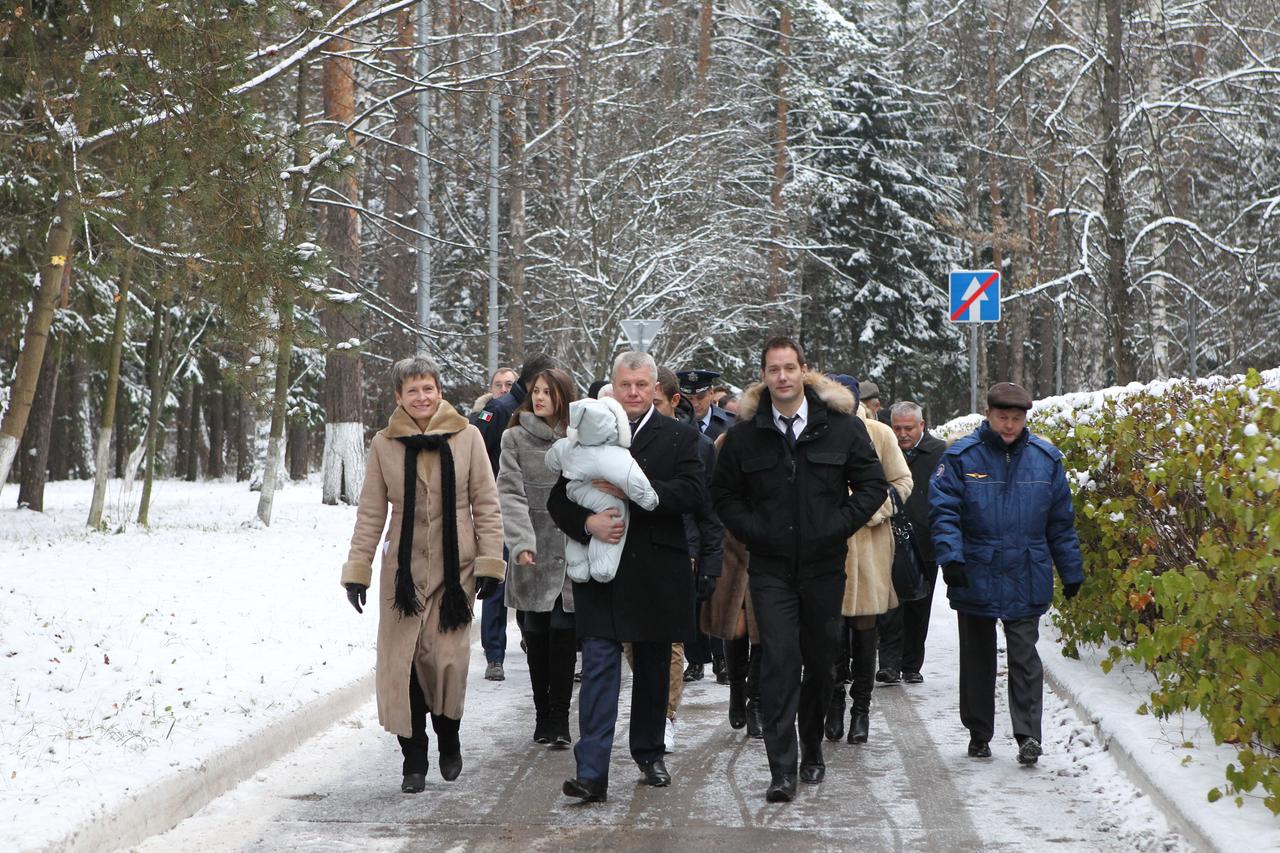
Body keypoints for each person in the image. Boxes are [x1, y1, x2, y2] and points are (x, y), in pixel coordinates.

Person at [712, 336, 888, 803]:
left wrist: (837, 525)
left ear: (804, 371)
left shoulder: (842, 428)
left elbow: (872, 486)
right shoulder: (745, 435)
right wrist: (755, 531)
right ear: (763, 376)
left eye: (790, 368)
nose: (783, 377)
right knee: (779, 661)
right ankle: (782, 769)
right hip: (770, 569)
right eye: (774, 369)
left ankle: (812, 747)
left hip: (824, 567)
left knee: (822, 663)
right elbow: (723, 495)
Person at [341, 355, 505, 793]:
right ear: (399, 397)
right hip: (403, 574)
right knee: (404, 666)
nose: (421, 397)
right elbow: (371, 512)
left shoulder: (467, 437)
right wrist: (358, 569)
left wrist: (490, 562)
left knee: (446, 661)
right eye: (412, 390)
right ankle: (413, 759)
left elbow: (486, 504)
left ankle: (448, 737)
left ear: (439, 391)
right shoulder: (384, 444)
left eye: (427, 388)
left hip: (456, 570)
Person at [548, 351, 705, 803]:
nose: (633, 392)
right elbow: (559, 500)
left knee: (653, 667)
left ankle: (649, 753)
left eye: (641, 384)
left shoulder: (678, 435)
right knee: (599, 664)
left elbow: (694, 494)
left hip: (657, 570)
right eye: (625, 384)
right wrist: (587, 523)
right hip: (602, 573)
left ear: (655, 388)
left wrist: (635, 492)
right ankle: (591, 772)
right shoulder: (586, 435)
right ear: (613, 387)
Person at [929, 382, 1085, 765]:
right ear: (988, 415)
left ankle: (1028, 735)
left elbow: (1060, 522)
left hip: (1026, 570)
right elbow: (943, 511)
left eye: (1016, 418)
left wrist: (1070, 570)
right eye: (1003, 417)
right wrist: (951, 559)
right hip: (976, 569)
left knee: (1024, 655)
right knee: (977, 658)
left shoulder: (1046, 460)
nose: (1010, 425)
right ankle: (979, 732)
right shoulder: (962, 457)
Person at [822, 375, 912, 746]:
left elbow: (902, 482)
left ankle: (861, 707)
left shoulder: (879, 433)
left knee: (864, 625)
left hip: (871, 543)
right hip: (827, 543)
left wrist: (868, 511)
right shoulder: (815, 431)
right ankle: (833, 703)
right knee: (829, 628)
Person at [496, 367, 578, 749]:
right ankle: (542, 713)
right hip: (532, 552)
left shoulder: (578, 438)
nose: (540, 397)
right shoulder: (514, 437)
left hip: (571, 552)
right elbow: (510, 493)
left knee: (563, 631)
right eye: (536, 392)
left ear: (563, 396)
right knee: (535, 633)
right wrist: (521, 541)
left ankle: (559, 717)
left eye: (548, 391)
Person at [647, 366, 723, 751]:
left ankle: (664, 716)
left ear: (673, 401)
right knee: (635, 644)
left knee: (671, 641)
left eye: (656, 402)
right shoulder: (626, 439)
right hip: (636, 552)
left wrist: (710, 564)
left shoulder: (699, 445)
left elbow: (710, 513)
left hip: (682, 551)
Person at [472, 353, 558, 681]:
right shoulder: (500, 409)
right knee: (498, 582)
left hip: (537, 512)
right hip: (501, 510)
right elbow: (477, 453)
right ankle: (494, 655)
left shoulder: (546, 410)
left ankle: (530, 637)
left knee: (530, 579)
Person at [876, 401, 947, 684]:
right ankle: (889, 664)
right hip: (889, 539)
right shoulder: (884, 449)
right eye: (897, 428)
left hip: (924, 541)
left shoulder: (939, 452)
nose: (903, 434)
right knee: (890, 605)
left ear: (922, 426)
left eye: (908, 428)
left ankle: (912, 664)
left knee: (919, 604)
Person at [677, 368, 733, 440]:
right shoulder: (674, 421)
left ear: (711, 393)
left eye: (700, 397)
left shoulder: (731, 423)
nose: (695, 404)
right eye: (689, 398)